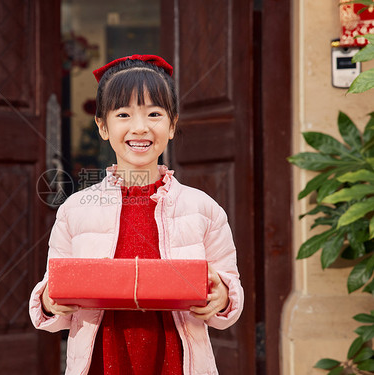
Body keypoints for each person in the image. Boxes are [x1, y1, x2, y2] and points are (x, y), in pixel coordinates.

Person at [29, 55, 243, 375]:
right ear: (103, 126)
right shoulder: (75, 211)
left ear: (172, 125)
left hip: (176, 358)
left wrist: (223, 296)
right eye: (124, 114)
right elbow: (55, 303)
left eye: (154, 114)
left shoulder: (204, 210)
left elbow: (228, 295)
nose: (140, 127)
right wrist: (48, 301)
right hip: (102, 358)